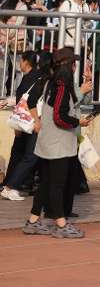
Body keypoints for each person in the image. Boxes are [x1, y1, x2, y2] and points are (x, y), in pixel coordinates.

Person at [23, 47, 93, 238]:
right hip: (58, 144)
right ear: (67, 64)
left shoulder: (49, 81)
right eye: (73, 63)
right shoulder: (62, 85)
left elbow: (41, 106)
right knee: (56, 185)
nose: (74, 66)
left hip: (47, 141)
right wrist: (79, 122)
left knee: (46, 183)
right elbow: (60, 117)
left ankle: (33, 221)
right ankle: (61, 224)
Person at [2, 51, 47, 201]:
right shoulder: (34, 77)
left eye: (21, 60)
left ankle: (10, 185)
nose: (19, 63)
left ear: (27, 61)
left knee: (22, 155)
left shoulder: (31, 78)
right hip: (29, 122)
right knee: (28, 155)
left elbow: (28, 101)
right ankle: (11, 186)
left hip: (27, 122)